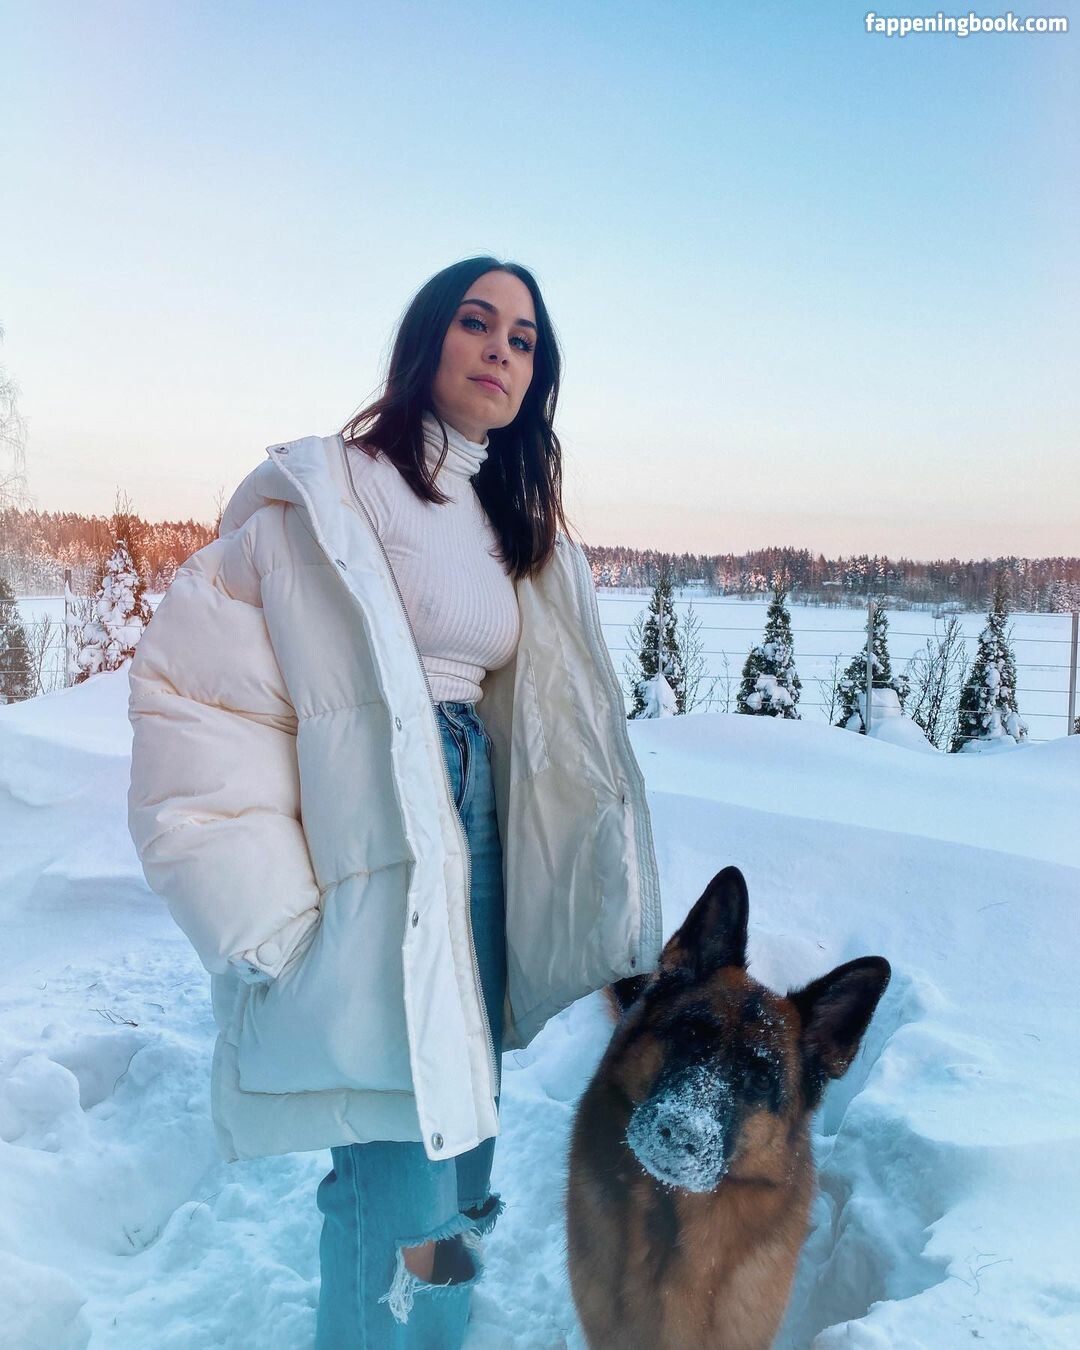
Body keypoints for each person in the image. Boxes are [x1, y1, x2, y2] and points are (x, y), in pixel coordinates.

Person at [126, 256, 663, 1347]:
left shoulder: (510, 520)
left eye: (523, 341)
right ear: (427, 339)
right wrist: (269, 920)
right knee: (399, 1180)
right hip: (372, 839)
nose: (500, 350)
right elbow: (196, 701)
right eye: (477, 322)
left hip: (479, 836)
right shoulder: (330, 493)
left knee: (464, 1164)